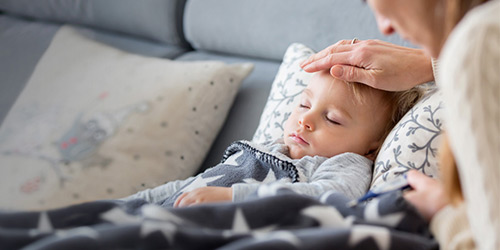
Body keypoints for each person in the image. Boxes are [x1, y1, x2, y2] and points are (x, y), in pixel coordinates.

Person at [301, 0, 499, 249]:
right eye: (303, 105)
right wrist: (431, 63)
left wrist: (442, 213)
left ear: (372, 149)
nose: (384, 27)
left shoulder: (480, 45)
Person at [122, 69, 423, 208]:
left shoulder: (344, 165)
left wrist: (234, 198)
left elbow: (330, 197)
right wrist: (130, 203)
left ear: (372, 149)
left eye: (332, 119)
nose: (305, 119)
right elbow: (191, 185)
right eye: (304, 105)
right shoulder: (262, 148)